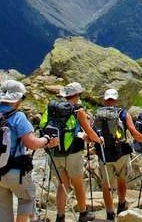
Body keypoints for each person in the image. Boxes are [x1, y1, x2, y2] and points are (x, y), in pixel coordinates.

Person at [0, 80, 58, 222]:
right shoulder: (18, 116)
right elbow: (31, 144)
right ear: (17, 99)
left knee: (1, 210)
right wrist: (46, 140)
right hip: (14, 170)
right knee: (27, 198)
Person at [45, 82, 103, 222]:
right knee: (78, 184)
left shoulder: (52, 108)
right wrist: (98, 140)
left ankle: (60, 216)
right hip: (73, 152)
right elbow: (88, 130)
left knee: (62, 184)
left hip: (56, 151)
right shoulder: (78, 110)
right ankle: (83, 214)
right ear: (77, 95)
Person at [94, 89, 142, 220]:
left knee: (106, 185)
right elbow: (132, 131)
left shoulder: (97, 114)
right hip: (121, 153)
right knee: (122, 179)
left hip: (104, 155)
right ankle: (121, 204)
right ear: (116, 100)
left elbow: (92, 134)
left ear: (104, 100)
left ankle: (109, 213)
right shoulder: (123, 113)